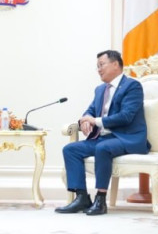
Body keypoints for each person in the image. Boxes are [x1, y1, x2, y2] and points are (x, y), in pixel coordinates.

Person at [56, 50, 148, 216]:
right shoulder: (100, 90)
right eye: (97, 66)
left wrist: (96, 121)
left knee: (103, 148)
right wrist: (85, 120)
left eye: (101, 65)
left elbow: (126, 116)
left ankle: (100, 199)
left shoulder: (132, 86)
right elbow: (90, 111)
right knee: (70, 149)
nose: (99, 69)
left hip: (127, 137)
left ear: (115, 64)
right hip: (104, 138)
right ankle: (82, 197)